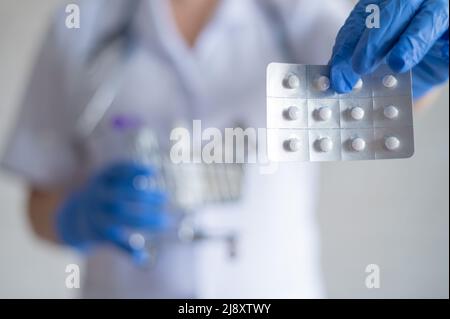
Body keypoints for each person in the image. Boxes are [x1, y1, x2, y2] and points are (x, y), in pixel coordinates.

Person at [1, 0, 448, 298]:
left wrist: (421, 68)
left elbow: (384, 92)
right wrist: (72, 216)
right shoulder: (83, 21)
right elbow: (38, 203)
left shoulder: (299, 11)